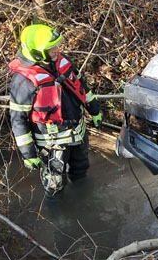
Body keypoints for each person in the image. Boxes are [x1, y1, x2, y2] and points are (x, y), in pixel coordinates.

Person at [8, 25, 102, 197]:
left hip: (78, 135)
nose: (56, 50)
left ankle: (83, 203)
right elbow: (18, 120)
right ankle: (59, 218)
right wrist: (28, 154)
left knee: (81, 173)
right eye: (51, 48)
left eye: (56, 46)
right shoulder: (23, 81)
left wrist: (94, 110)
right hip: (52, 144)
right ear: (38, 52)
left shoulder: (60, 61)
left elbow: (81, 86)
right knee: (54, 186)